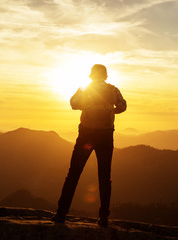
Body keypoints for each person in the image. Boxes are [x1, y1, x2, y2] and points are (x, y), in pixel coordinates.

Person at [51, 64, 127, 227]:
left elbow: (73, 103)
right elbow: (122, 106)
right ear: (106, 76)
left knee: (73, 174)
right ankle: (104, 218)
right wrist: (109, 111)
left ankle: (61, 214)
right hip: (106, 136)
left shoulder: (85, 89)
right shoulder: (113, 90)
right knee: (104, 176)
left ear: (91, 76)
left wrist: (89, 106)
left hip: (86, 135)